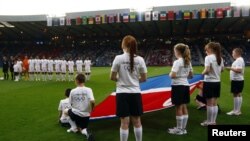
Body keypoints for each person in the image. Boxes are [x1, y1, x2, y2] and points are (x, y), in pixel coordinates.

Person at [110, 35, 147, 141]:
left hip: (122, 93)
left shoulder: (118, 58)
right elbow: (144, 78)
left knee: (124, 123)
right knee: (137, 121)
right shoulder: (140, 59)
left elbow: (112, 77)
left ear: (123, 45)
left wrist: (121, 79)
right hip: (135, 92)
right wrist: (134, 80)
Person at [168, 43, 193, 135]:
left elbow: (173, 75)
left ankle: (179, 129)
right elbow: (191, 76)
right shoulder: (188, 62)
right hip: (186, 85)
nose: (174, 52)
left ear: (177, 51)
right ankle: (183, 129)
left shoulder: (177, 62)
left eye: (175, 50)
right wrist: (183, 75)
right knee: (184, 106)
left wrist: (170, 74)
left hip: (178, 86)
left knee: (178, 107)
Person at [64, 74, 95, 139]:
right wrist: (92, 110)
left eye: (75, 79)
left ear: (77, 81)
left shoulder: (73, 91)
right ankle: (87, 133)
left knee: (65, 111)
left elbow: (70, 103)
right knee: (83, 129)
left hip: (76, 114)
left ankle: (74, 127)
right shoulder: (89, 89)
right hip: (86, 115)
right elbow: (92, 101)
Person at [201, 42, 224, 126]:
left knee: (209, 103)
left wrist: (202, 73)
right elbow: (222, 70)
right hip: (217, 82)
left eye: (206, 49)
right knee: (214, 103)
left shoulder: (208, 58)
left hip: (209, 82)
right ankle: (213, 121)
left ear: (210, 49)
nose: (205, 50)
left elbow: (207, 70)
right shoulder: (220, 58)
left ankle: (209, 122)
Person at [226, 48, 245, 116]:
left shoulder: (239, 60)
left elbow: (239, 70)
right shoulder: (240, 59)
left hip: (237, 80)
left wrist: (230, 68)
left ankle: (235, 111)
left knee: (236, 95)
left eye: (233, 53)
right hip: (238, 80)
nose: (232, 54)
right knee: (238, 94)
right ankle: (238, 110)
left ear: (237, 53)